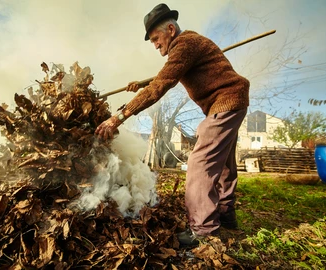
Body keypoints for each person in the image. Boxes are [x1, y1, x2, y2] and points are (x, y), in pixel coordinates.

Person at [95, 3, 249, 246]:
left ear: (170, 29)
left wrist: (120, 117)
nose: (155, 44)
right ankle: (226, 213)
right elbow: (161, 78)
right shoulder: (187, 47)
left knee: (200, 162)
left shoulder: (185, 44)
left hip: (226, 101)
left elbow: (162, 84)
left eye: (156, 38)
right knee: (224, 161)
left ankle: (204, 230)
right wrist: (141, 84)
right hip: (233, 101)